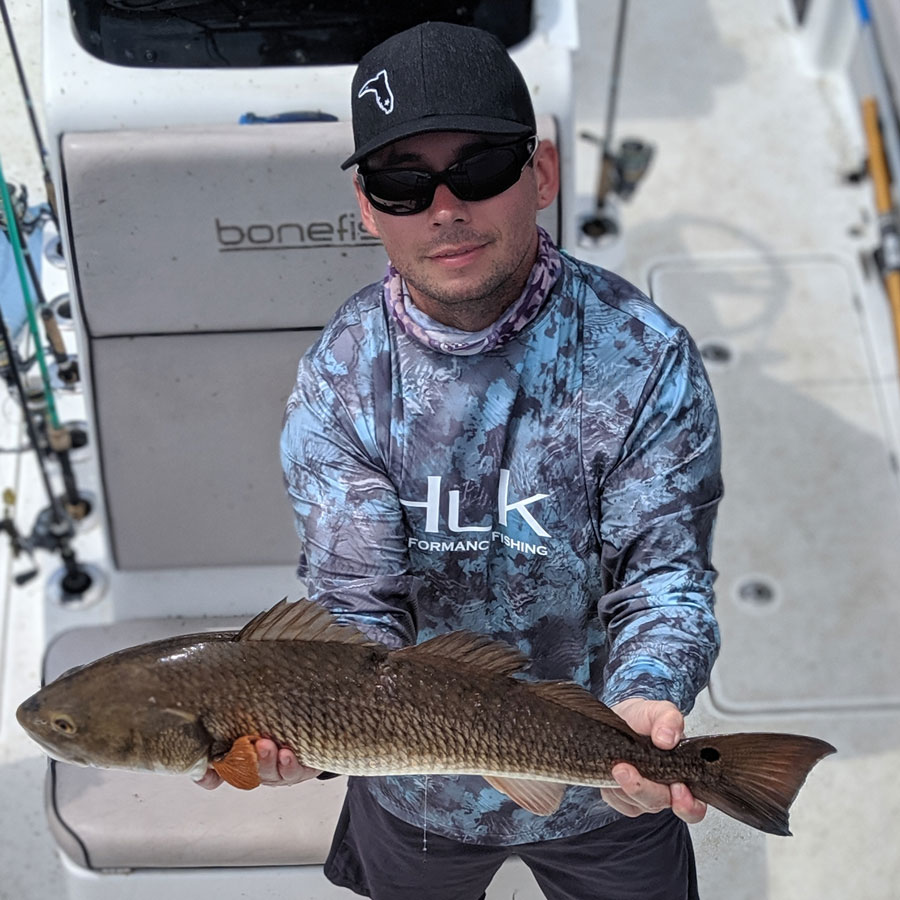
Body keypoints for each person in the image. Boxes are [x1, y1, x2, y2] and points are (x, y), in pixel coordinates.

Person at [203, 21, 722, 900]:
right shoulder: (341, 378)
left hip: (609, 787)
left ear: (542, 175)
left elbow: (662, 572)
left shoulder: (645, 358)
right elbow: (357, 611)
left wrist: (649, 698)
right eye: (402, 183)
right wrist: (302, 738)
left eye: (478, 168)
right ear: (368, 209)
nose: (445, 208)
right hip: (414, 797)